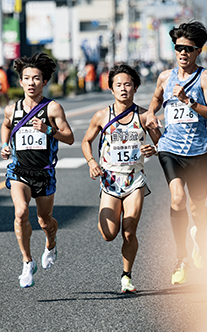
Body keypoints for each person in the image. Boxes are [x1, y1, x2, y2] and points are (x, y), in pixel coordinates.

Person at [145, 21, 207, 285]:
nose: (183, 53)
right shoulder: (165, 77)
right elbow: (154, 100)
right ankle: (181, 256)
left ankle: (201, 240)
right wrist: (151, 114)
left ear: (198, 51)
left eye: (188, 48)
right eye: (178, 48)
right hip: (169, 148)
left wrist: (190, 102)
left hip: (198, 151)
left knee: (198, 208)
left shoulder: (206, 77)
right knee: (177, 199)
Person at [81, 64, 161, 293]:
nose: (123, 89)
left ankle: (127, 276)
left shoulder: (145, 116)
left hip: (135, 180)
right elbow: (86, 141)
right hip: (110, 181)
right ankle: (108, 222)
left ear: (135, 88)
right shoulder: (102, 115)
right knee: (109, 234)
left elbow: (161, 143)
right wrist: (91, 162)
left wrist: (153, 149)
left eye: (128, 84)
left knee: (129, 230)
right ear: (111, 89)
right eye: (118, 85)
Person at [0, 52, 74, 288]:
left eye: (37, 78)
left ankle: (51, 244)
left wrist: (48, 130)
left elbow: (70, 138)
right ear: (20, 81)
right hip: (19, 170)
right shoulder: (11, 110)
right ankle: (27, 261)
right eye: (27, 78)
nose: (31, 82)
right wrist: (4, 145)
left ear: (44, 81)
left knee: (44, 221)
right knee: (20, 212)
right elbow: (6, 126)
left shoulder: (52, 109)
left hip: (44, 173)